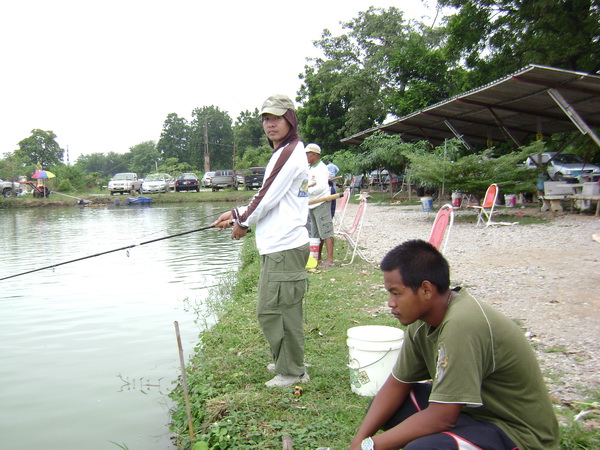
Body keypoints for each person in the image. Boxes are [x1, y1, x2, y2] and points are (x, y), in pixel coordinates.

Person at [350, 240, 559, 450]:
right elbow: (397, 383)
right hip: (474, 417)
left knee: (423, 449)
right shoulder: (422, 323)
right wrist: (357, 443)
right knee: (392, 406)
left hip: (517, 434)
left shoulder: (462, 324)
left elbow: (442, 418)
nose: (390, 302)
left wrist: (369, 446)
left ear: (426, 290)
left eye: (396, 293)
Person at [212, 94, 310, 388]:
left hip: (285, 246)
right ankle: (288, 362)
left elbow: (266, 199)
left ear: (290, 119)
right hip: (282, 245)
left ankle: (292, 371)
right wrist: (235, 212)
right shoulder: (288, 151)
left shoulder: (288, 153)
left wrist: (241, 223)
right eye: (266, 119)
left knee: (274, 311)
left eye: (277, 118)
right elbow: (269, 198)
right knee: (283, 310)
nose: (270, 124)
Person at [306, 143, 335, 267]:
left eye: (307, 154)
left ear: (314, 155)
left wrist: (308, 190)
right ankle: (317, 258)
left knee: (326, 230)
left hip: (321, 202)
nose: (306, 156)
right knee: (316, 233)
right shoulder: (310, 168)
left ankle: (329, 259)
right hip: (312, 204)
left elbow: (322, 186)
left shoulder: (322, 168)